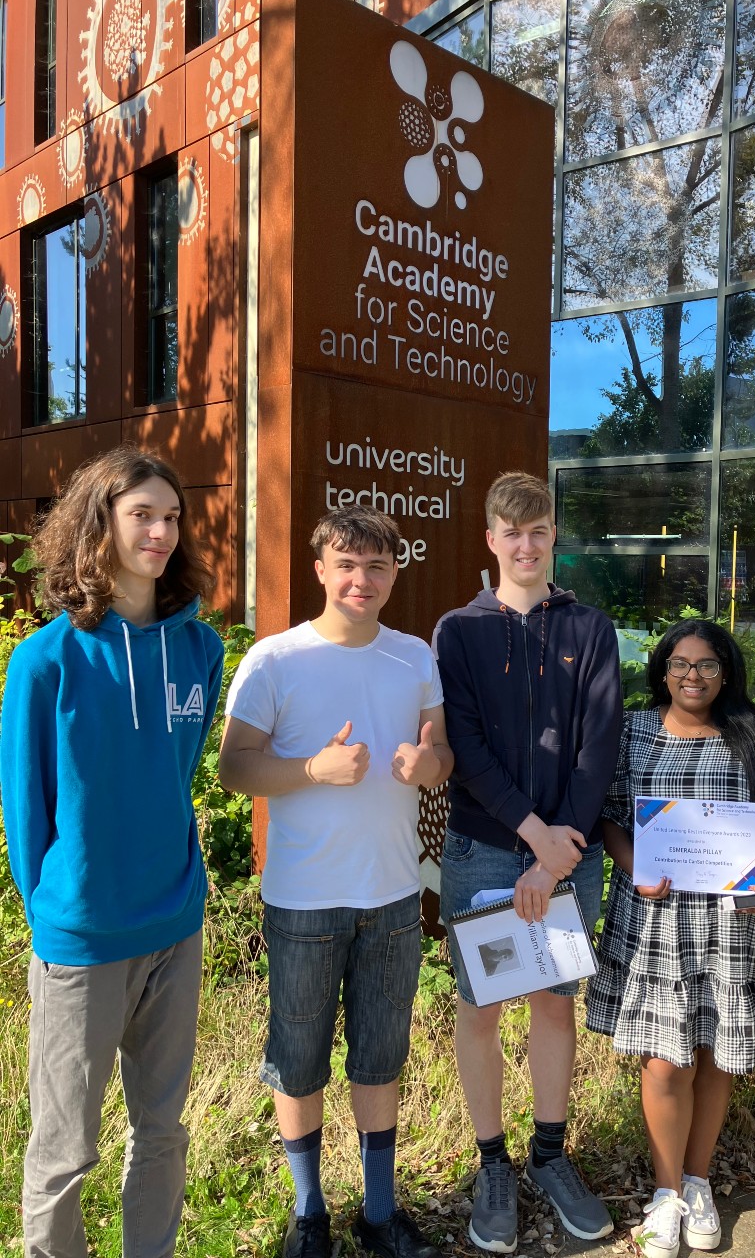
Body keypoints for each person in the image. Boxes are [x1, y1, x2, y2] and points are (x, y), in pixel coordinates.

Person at [0, 446, 225, 1258]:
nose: (161, 532)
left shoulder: (200, 650)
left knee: (162, 1131)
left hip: (175, 925)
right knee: (65, 1149)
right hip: (84, 937)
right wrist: (61, 910)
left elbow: (175, 772)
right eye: (142, 516)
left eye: (172, 517)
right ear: (100, 523)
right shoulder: (45, 660)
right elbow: (26, 812)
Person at [218, 507, 453, 1258]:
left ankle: (379, 1214)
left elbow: (442, 752)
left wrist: (429, 764)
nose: (362, 579)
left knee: (381, 1057)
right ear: (320, 569)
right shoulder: (274, 660)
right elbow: (232, 768)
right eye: (347, 564)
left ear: (395, 573)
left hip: (393, 894)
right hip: (303, 900)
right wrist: (312, 769)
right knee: (298, 1060)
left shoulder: (413, 656)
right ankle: (309, 1212)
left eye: (377, 566)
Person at [433, 471, 622, 1254]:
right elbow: (465, 746)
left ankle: (549, 1151)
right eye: (511, 532)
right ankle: (492, 1163)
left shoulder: (590, 628)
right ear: (490, 539)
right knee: (480, 1009)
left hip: (568, 855)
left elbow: (599, 744)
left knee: (552, 1001)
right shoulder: (458, 631)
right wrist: (531, 834)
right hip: (483, 849)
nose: (525, 545)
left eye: (538, 531)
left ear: (553, 537)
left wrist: (556, 849)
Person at [585, 618, 755, 1258]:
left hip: (735, 922)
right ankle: (666, 1194)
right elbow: (610, 815)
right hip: (658, 920)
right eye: (680, 664)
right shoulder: (631, 733)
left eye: (707, 664)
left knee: (716, 1057)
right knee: (666, 1059)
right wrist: (635, 868)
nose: (693, 675)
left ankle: (699, 1180)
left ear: (726, 672)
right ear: (663, 671)